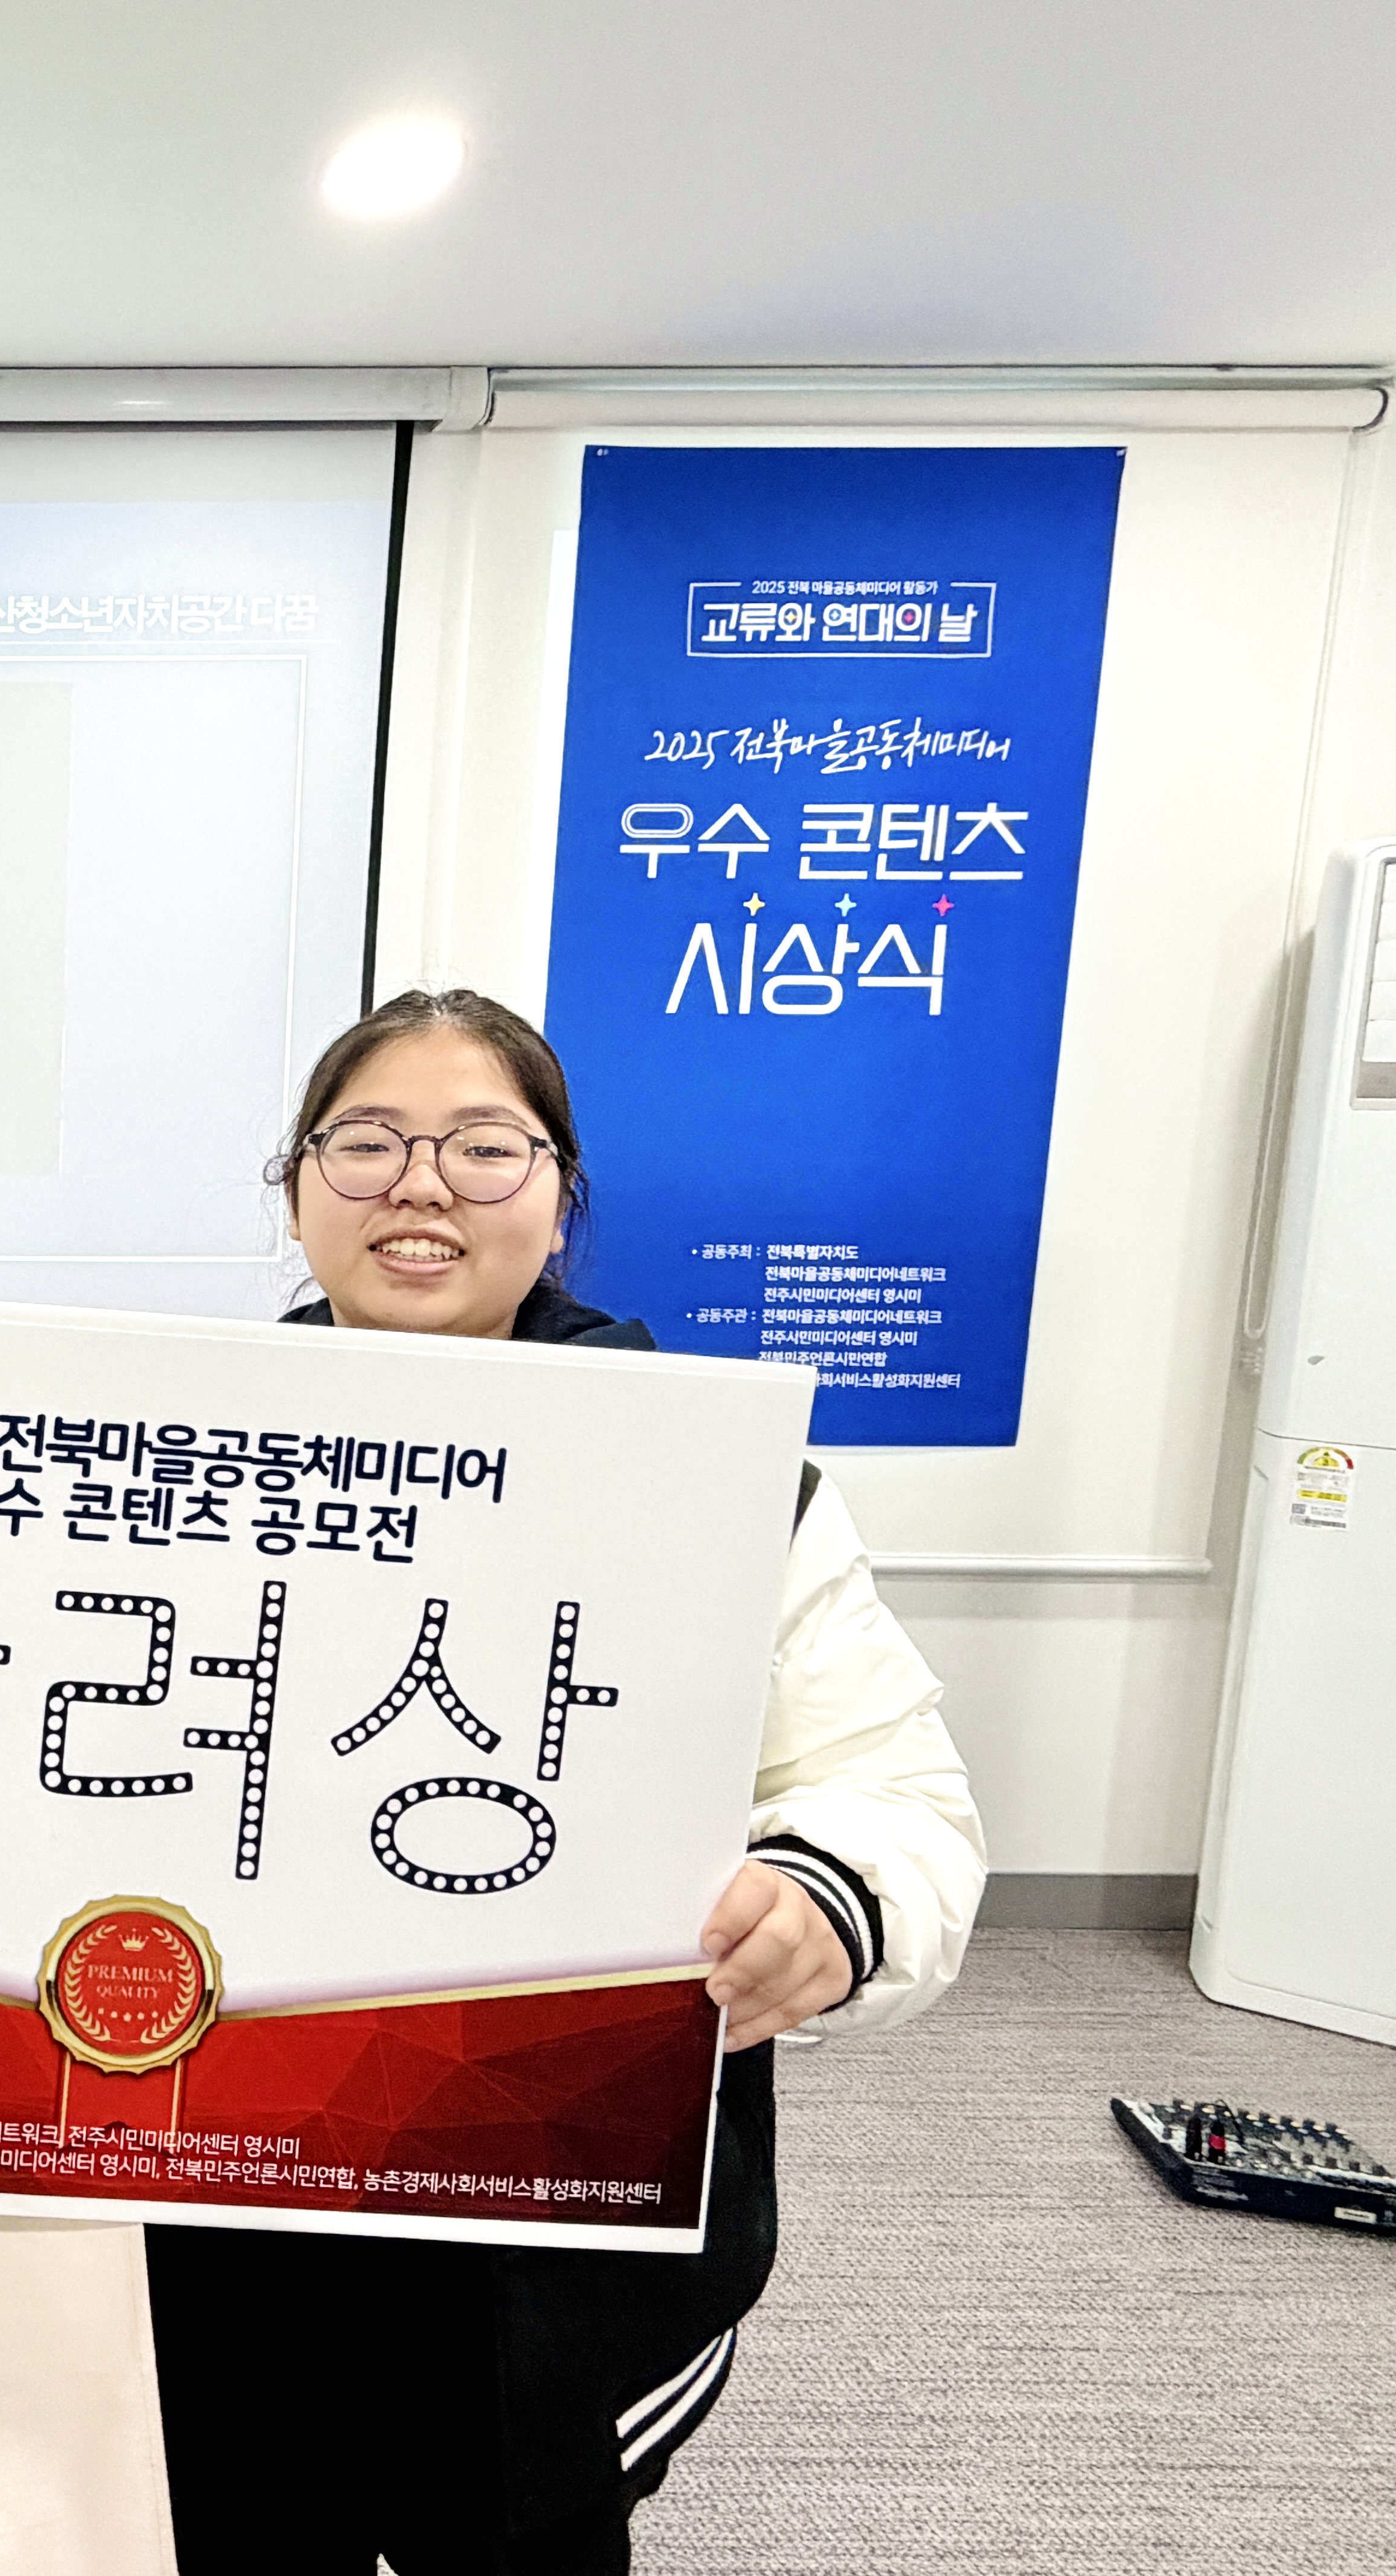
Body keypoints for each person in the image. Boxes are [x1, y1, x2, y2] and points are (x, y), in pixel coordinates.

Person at [148, 987, 985, 2576]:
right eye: (367, 1142)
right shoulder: (159, 1459)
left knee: (520, 2534)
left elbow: (888, 1785)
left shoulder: (717, 1477)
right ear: (296, 1186)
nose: (421, 1183)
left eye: (484, 1146)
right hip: (224, 2207)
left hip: (544, 2233)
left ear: (560, 1194)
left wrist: (832, 1900)